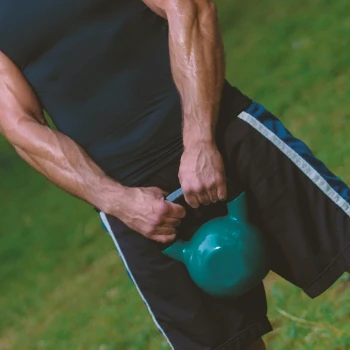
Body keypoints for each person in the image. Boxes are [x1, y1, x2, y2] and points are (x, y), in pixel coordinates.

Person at [0, 0, 349, 349]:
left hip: (223, 135)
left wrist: (200, 140)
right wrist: (117, 200)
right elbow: (19, 123)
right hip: (138, 210)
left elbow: (189, 8)